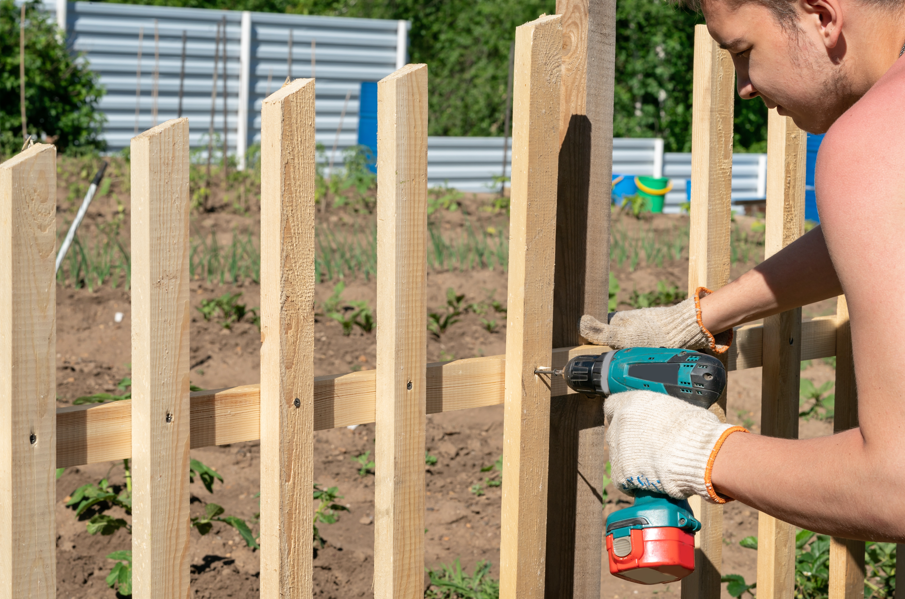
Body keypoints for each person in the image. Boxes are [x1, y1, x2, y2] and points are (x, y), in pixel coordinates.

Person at [581, 0, 905, 542]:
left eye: (742, 52)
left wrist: (695, 449)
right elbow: (884, 232)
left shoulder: (875, 143)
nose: (743, 87)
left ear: (821, 15)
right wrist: (702, 316)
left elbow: (895, 485)